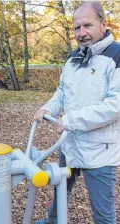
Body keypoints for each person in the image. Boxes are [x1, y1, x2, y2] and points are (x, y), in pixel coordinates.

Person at [34, 1, 120, 224]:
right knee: (60, 186)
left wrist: (70, 120)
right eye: (76, 28)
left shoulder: (116, 56)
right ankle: (53, 221)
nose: (82, 33)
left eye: (87, 26)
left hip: (100, 151)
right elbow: (62, 91)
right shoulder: (74, 56)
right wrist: (48, 108)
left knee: (103, 210)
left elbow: (115, 106)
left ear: (103, 24)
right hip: (71, 143)